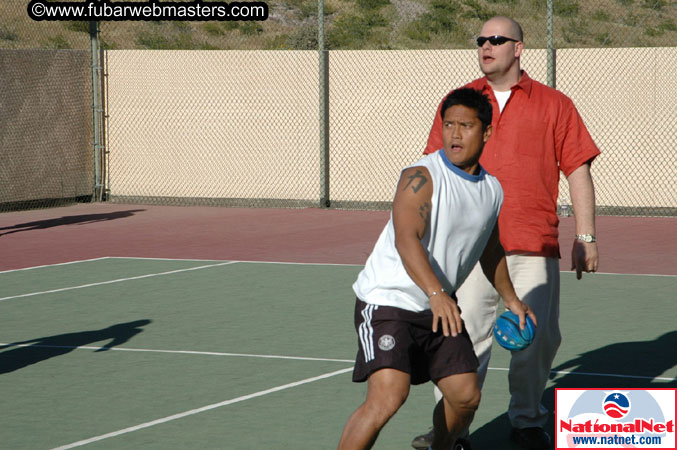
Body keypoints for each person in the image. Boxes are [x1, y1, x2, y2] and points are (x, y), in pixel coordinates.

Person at [411, 16, 600, 450]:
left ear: (518, 47)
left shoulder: (555, 104)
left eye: (496, 39)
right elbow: (435, 171)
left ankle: (528, 419)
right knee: (460, 341)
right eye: (481, 40)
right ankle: (450, 430)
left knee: (537, 339)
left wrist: (585, 236)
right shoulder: (460, 102)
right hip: (469, 247)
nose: (486, 46)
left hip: (534, 243)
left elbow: (578, 169)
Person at [338, 88, 537, 450]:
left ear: (487, 132)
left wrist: (512, 299)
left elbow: (489, 249)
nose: (455, 134)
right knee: (387, 397)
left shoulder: (492, 189)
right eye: (448, 125)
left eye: (465, 126)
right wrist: (436, 293)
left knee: (465, 397)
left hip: (437, 308)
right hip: (388, 302)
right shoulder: (421, 176)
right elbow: (406, 238)